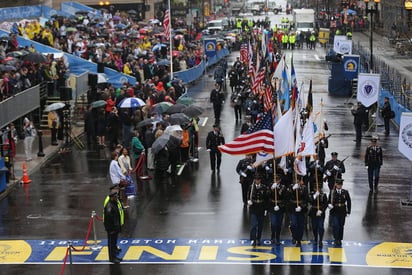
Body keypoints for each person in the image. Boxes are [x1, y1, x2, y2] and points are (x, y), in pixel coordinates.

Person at [247, 174, 270, 247]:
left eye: (258, 179)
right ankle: (253, 239)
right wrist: (248, 201)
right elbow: (248, 196)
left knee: (260, 225)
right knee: (253, 225)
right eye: (255, 179)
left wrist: (266, 209)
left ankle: (258, 238)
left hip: (261, 208)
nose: (257, 181)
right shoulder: (251, 187)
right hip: (254, 208)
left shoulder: (264, 188)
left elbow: (266, 199)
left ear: (260, 180)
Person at [327, 178, 351, 247]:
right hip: (334, 211)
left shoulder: (345, 192)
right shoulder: (332, 192)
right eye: (338, 184)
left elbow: (349, 202)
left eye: (340, 184)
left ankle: (340, 239)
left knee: (341, 226)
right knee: (335, 225)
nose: (339, 186)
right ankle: (336, 239)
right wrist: (329, 205)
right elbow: (328, 201)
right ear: (336, 185)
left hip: (342, 211)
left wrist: (348, 211)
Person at [287, 178, 309, 246]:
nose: (297, 182)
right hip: (293, 208)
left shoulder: (304, 188)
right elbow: (287, 197)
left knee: (301, 225)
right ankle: (294, 236)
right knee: (293, 224)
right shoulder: (291, 187)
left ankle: (299, 239)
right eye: (296, 180)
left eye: (298, 181)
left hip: (301, 209)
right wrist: (293, 189)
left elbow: (306, 199)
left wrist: (301, 207)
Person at [103, 189, 123, 264]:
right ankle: (112, 258)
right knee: (111, 244)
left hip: (115, 228)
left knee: (114, 243)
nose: (117, 197)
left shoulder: (114, 204)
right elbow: (108, 220)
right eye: (115, 196)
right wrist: (111, 229)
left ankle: (114, 256)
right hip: (112, 229)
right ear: (112, 197)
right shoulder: (109, 207)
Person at [268, 178, 287, 245]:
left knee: (279, 224)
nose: (276, 181)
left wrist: (280, 205)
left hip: (280, 208)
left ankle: (278, 237)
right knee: (273, 223)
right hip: (272, 207)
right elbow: (267, 196)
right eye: (275, 179)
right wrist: (272, 189)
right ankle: (273, 236)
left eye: (277, 179)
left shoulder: (283, 187)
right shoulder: (271, 186)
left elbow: (285, 198)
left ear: (280, 180)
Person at [309, 183, 328, 247]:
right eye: (316, 188)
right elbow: (310, 201)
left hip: (321, 213)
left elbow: (325, 204)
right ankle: (315, 238)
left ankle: (320, 241)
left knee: (320, 227)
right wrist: (314, 196)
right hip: (313, 212)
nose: (318, 189)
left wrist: (321, 211)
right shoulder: (312, 194)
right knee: (314, 227)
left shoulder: (323, 195)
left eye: (319, 188)